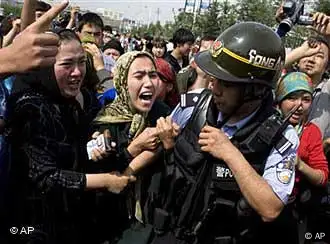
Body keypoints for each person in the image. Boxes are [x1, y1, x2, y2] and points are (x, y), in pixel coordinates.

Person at [146, 22, 299, 244]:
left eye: (225, 83)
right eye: (212, 77)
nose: (213, 88)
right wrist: (167, 143)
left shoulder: (281, 137)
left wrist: (231, 154)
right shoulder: (193, 103)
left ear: (254, 89)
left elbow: (270, 208)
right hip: (170, 231)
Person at [2, 29, 135, 244]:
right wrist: (104, 181)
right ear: (45, 67)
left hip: (78, 221)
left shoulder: (86, 99)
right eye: (66, 65)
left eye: (82, 62)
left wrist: (101, 143)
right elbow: (45, 177)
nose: (76, 72)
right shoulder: (30, 107)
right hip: (31, 226)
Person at [90, 51, 171, 243]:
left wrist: (169, 146)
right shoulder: (105, 121)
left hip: (154, 220)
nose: (149, 83)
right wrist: (134, 148)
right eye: (139, 76)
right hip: (113, 223)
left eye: (153, 75)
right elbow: (102, 176)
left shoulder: (164, 115)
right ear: (122, 82)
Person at [275, 71, 329, 243]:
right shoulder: (265, 122)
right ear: (280, 99)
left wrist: (300, 165)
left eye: (306, 99)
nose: (299, 105)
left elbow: (322, 176)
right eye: (292, 97)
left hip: (290, 209)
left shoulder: (311, 132)